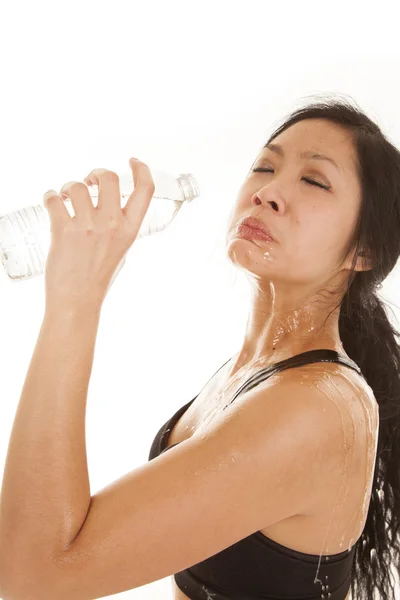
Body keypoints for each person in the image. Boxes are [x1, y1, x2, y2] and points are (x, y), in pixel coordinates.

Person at [1, 95, 400, 600]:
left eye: (314, 181)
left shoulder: (317, 407)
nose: (269, 192)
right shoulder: (255, 373)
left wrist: (75, 301)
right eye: (264, 167)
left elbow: (31, 579)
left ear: (365, 250)